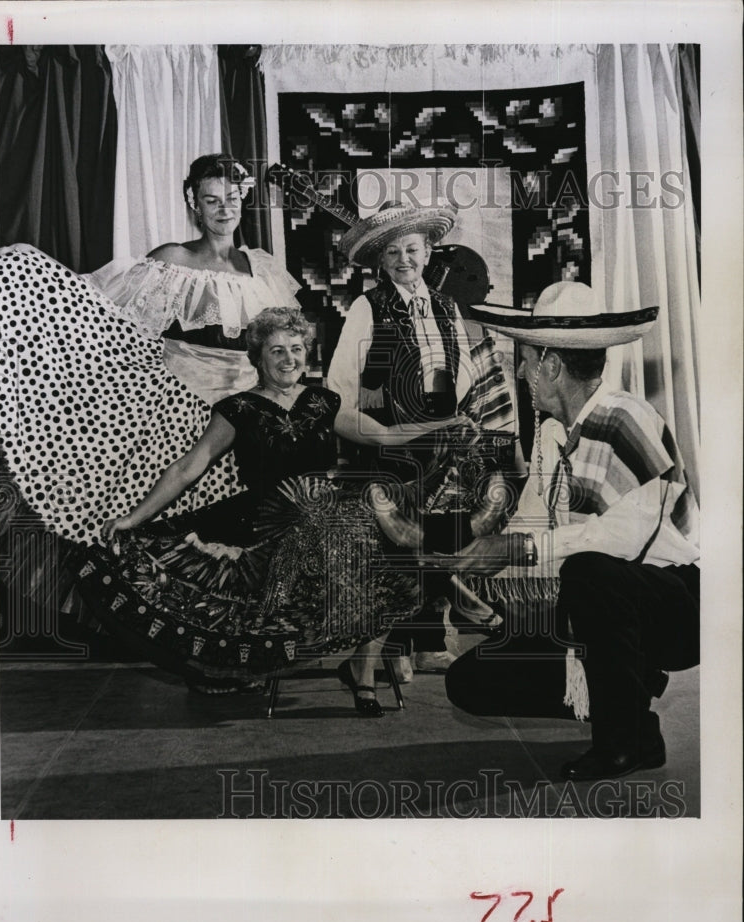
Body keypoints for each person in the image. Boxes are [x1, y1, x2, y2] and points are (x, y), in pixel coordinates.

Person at [80, 306, 466, 715]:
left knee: (397, 555)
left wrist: (447, 423)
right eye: (277, 350)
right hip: (262, 525)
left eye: (296, 349)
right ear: (258, 358)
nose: (288, 359)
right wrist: (134, 518)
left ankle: (364, 671)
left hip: (326, 515)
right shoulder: (238, 409)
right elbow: (187, 468)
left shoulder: (323, 401)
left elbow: (385, 436)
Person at [437, 281, 700, 780]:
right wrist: (472, 569)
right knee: (470, 682)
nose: (520, 371)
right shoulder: (553, 432)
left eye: (526, 359)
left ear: (551, 365)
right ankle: (628, 709)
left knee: (591, 574)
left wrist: (517, 547)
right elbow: (530, 524)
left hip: (678, 605)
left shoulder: (629, 419)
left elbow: (619, 542)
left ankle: (622, 742)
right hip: (598, 603)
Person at [0, 154, 302, 548]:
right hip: (182, 415)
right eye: (211, 200)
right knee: (174, 534)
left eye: (231, 197)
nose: (224, 208)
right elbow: (108, 317)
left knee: (239, 542)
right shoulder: (175, 260)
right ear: (194, 204)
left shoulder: (264, 268)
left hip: (249, 422)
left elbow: (286, 346)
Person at [327, 200, 517, 680]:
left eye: (412, 249)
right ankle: (395, 645)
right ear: (380, 261)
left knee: (443, 534)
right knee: (399, 544)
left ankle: (420, 641)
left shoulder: (447, 307)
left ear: (429, 251)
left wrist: (459, 425)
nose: (403, 260)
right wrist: (385, 436)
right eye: (392, 252)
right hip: (388, 447)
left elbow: (465, 381)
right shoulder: (367, 309)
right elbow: (344, 396)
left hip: (443, 448)